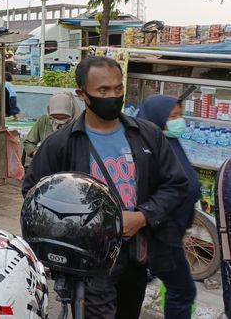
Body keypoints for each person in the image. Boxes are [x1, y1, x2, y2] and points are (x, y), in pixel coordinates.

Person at [22, 56, 188, 319]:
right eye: (103, 91)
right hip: (88, 265)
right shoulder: (61, 143)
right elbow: (34, 193)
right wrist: (71, 230)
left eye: (117, 89)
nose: (113, 96)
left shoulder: (147, 135)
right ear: (82, 95)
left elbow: (176, 185)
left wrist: (143, 215)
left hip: (135, 256)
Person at [137, 94, 201, 319]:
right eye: (172, 116)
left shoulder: (169, 143)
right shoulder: (149, 149)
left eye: (180, 115)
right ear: (156, 118)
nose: (178, 120)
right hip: (162, 235)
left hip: (171, 233)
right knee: (182, 291)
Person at [23, 92, 80, 165]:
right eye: (55, 116)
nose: (59, 120)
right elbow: (29, 142)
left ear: (71, 110)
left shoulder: (78, 124)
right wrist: (36, 153)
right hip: (46, 164)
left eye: (64, 117)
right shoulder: (44, 121)